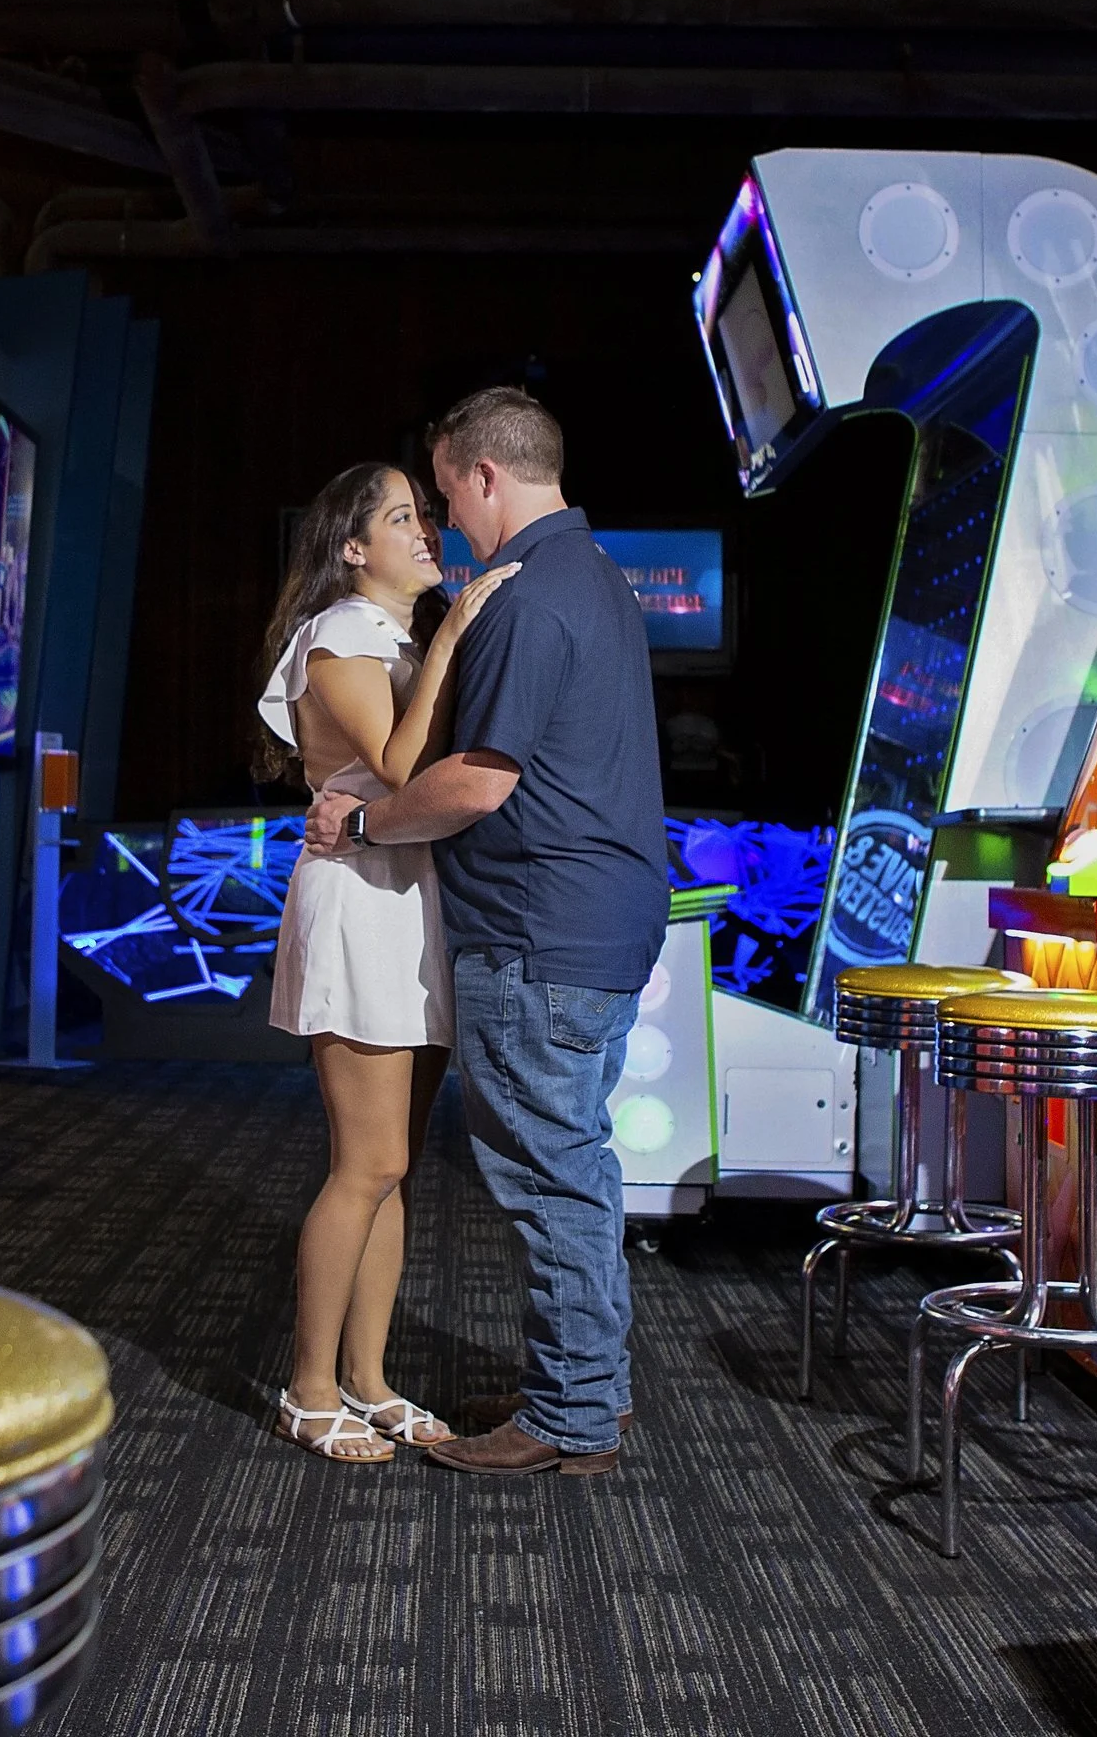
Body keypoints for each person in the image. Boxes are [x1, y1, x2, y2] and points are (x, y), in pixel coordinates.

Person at [305, 388, 667, 1477]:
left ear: (482, 476)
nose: (441, 523)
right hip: (595, 922)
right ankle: (588, 1392)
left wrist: (362, 820)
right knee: (578, 1171)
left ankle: (569, 1417)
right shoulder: (591, 575)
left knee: (553, 1178)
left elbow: (472, 783)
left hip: (536, 931)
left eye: (442, 495)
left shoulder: (522, 596)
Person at [258, 462, 520, 1462]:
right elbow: (408, 771)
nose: (427, 531)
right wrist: (454, 634)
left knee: (395, 1169)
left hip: (415, 896)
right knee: (362, 1163)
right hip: (360, 899)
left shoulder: (398, 638)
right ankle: (307, 1388)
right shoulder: (338, 635)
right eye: (404, 518)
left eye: (424, 514)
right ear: (353, 548)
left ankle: (367, 1379)